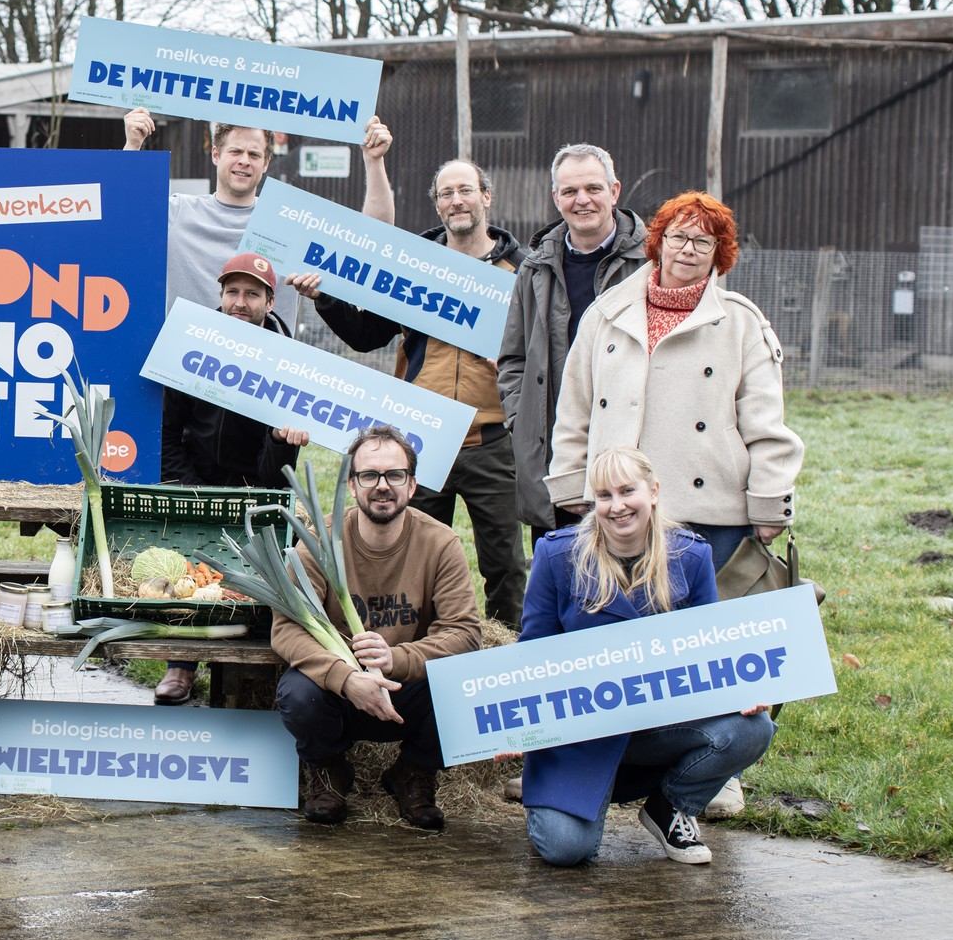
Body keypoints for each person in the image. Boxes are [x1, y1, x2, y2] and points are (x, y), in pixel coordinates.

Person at [286, 147, 532, 627]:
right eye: (446, 194)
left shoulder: (522, 271)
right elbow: (367, 336)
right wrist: (325, 298)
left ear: (486, 196)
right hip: (424, 439)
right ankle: (414, 652)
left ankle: (502, 650)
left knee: (504, 563)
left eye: (465, 190)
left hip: (493, 438)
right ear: (437, 205)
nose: (457, 201)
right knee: (411, 559)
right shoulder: (414, 268)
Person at [520, 447, 776, 866]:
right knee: (565, 850)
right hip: (581, 735)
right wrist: (513, 728)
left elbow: (709, 651)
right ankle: (563, 801)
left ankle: (671, 805)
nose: (617, 506)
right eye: (604, 495)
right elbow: (533, 651)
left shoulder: (690, 555)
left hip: (655, 727)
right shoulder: (558, 555)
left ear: (653, 491)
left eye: (627, 491)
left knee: (751, 728)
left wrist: (740, 690)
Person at [549, 191, 802, 573]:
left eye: (703, 241)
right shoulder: (606, 314)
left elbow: (764, 424)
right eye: (679, 237)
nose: (688, 250)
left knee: (705, 612)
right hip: (620, 504)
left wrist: (769, 503)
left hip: (711, 512)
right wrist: (572, 480)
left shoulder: (742, 323)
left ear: (719, 252)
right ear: (659, 242)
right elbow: (575, 407)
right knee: (619, 606)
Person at [271, 426, 483, 831]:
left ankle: (414, 771)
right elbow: (287, 630)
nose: (382, 486)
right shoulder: (318, 541)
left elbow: (464, 631)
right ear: (352, 485)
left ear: (412, 485)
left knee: (469, 685)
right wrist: (346, 678)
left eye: (395, 475)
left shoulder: (441, 543)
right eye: (369, 475)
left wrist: (396, 659)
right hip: (339, 694)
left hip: (407, 689)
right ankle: (328, 769)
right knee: (298, 693)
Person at [153, 251, 310, 705]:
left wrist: (280, 442)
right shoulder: (191, 343)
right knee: (184, 570)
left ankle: (249, 668)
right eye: (233, 292)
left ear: (270, 301)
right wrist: (186, 488)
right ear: (221, 295)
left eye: (252, 294)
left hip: (255, 488)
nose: (240, 302)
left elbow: (276, 473)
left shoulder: (289, 362)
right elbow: (168, 429)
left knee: (248, 579)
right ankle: (181, 662)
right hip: (195, 478)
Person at [497, 143, 649, 540]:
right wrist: (521, 418)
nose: (582, 200)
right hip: (556, 450)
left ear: (614, 191)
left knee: (634, 562)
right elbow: (513, 357)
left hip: (631, 448)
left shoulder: (651, 263)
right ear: (556, 198)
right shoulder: (535, 269)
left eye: (593, 188)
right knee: (563, 564)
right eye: (570, 191)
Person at [123, 110, 392, 327]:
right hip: (183, 365)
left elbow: (373, 242)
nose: (244, 161)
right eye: (235, 151)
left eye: (254, 154)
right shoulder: (178, 212)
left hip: (262, 369)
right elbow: (118, 218)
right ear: (216, 154)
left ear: (266, 163)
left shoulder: (289, 222)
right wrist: (132, 145)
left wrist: (374, 161)